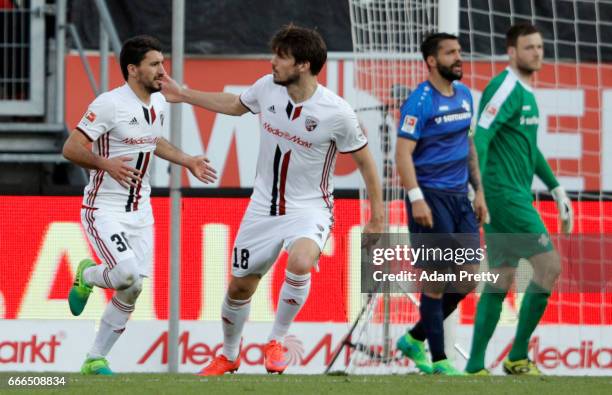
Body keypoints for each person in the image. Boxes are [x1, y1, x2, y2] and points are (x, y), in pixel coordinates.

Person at [160, 24, 384, 376]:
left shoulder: (337, 112)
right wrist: (184, 94)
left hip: (310, 207)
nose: (272, 62)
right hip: (262, 207)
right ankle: (229, 355)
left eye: (281, 57)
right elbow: (235, 105)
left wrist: (378, 216)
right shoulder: (267, 88)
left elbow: (366, 162)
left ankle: (276, 340)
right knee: (239, 286)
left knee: (301, 260)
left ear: (303, 65)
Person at [63, 35, 217, 375]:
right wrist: (107, 164)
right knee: (127, 273)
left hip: (141, 211)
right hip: (104, 208)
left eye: (162, 63)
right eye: (155, 64)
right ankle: (87, 274)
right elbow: (70, 148)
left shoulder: (158, 103)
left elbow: (152, 141)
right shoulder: (109, 104)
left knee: (132, 287)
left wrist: (187, 159)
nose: (163, 71)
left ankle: (94, 358)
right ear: (133, 70)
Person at [465, 22, 573, 375]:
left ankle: (476, 366)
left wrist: (556, 188)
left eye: (540, 47)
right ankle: (517, 356)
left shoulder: (526, 91)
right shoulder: (504, 86)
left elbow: (529, 149)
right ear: (511, 52)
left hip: (512, 194)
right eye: (529, 47)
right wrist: (478, 188)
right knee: (549, 266)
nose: (537, 53)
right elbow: (480, 136)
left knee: (500, 276)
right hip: (503, 195)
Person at [394, 32, 488, 375]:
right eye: (451, 53)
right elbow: (402, 154)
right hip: (430, 198)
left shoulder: (464, 96)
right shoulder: (420, 101)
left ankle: (414, 339)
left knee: (467, 279)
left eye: (459, 52)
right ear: (432, 61)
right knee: (435, 279)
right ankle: (439, 360)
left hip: (460, 199)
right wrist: (416, 198)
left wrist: (479, 191)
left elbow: (469, 146)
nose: (458, 58)